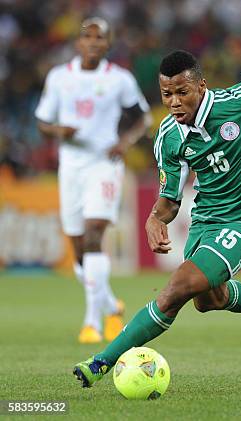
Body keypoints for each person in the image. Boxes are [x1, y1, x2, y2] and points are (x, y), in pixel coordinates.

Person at [72, 50, 241, 387]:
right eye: (167, 94)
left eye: (182, 92)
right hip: (205, 220)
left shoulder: (237, 103)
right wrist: (154, 219)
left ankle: (101, 361)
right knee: (208, 300)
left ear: (201, 87)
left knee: (176, 289)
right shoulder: (169, 137)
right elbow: (171, 199)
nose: (174, 102)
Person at [35, 18, 151, 344]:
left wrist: (124, 142)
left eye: (100, 37)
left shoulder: (119, 80)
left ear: (108, 44)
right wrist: (59, 131)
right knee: (79, 253)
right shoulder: (59, 78)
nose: (93, 42)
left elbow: (143, 117)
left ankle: (92, 323)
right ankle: (113, 306)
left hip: (104, 164)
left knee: (94, 233)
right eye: (87, 36)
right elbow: (42, 121)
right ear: (78, 42)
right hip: (70, 168)